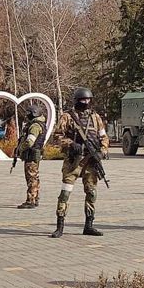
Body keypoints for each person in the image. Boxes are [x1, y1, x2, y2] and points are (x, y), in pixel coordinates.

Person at [50, 88, 109, 238]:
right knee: (65, 192)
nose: (86, 103)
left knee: (91, 192)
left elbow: (104, 138)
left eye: (88, 100)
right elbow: (56, 136)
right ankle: (60, 226)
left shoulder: (96, 118)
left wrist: (102, 152)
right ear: (77, 101)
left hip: (91, 161)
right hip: (73, 161)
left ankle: (89, 225)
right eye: (83, 100)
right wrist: (70, 144)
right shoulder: (67, 117)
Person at [15, 105, 47, 209]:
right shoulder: (39, 124)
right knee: (34, 178)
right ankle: (35, 198)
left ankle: (31, 200)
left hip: (31, 154)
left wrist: (20, 148)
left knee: (31, 178)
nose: (26, 115)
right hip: (34, 154)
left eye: (28, 113)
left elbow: (29, 141)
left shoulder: (35, 126)